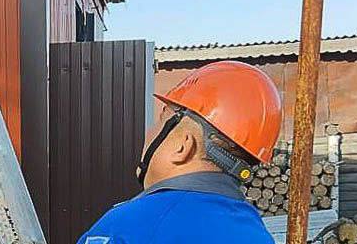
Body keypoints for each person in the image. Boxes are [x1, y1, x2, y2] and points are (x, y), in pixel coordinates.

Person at [77, 60, 282, 244]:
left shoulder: (124, 228)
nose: (150, 132)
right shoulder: (256, 233)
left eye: (161, 120)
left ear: (183, 146)